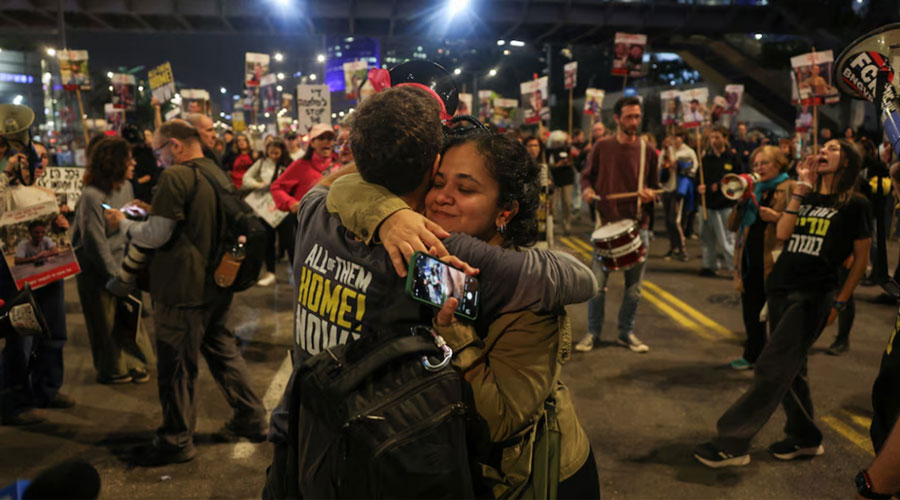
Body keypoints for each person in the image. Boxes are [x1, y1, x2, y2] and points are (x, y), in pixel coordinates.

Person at [264, 86, 598, 498]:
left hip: (534, 478)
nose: (442, 197)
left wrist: (456, 334)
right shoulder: (425, 259)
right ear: (431, 165)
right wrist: (388, 215)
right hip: (385, 457)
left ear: (505, 210)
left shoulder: (321, 215)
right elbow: (574, 277)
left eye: (467, 189)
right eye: (439, 181)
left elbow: (500, 422)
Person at [694, 139, 872, 468]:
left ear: (848, 162)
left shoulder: (856, 204)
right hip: (780, 287)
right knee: (792, 371)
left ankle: (731, 441)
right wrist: (801, 191)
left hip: (814, 294)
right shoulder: (806, 192)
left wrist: (842, 301)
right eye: (825, 147)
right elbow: (783, 233)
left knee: (771, 366)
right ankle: (805, 438)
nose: (825, 151)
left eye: (834, 148)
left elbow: (861, 260)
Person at [104, 120, 266, 466]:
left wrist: (126, 223)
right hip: (216, 285)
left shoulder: (176, 176)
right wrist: (150, 212)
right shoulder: (213, 171)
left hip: (181, 289)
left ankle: (176, 439)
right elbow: (196, 219)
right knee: (223, 352)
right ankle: (251, 417)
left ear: (175, 146)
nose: (158, 159)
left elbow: (157, 235)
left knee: (176, 366)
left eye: (159, 151)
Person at [576, 96, 660, 353]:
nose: (634, 122)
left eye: (637, 116)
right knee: (597, 288)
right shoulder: (602, 146)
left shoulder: (647, 150)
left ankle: (626, 332)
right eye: (628, 117)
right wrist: (588, 191)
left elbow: (655, 188)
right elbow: (586, 178)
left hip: (637, 226)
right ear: (617, 118)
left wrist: (650, 195)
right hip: (605, 227)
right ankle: (593, 332)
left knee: (634, 291)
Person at [70, 136, 155, 385]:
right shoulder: (92, 195)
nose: (133, 163)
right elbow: (95, 243)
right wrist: (115, 275)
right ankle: (114, 369)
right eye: (128, 158)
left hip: (124, 266)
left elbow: (125, 226)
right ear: (113, 162)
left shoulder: (125, 187)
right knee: (104, 322)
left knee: (128, 318)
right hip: (98, 271)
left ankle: (136, 363)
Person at [1, 150, 74, 426]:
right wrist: (7, 175)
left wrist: (61, 224)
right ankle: (15, 403)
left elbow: (56, 231)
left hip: (50, 274)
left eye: (43, 158)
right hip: (13, 275)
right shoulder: (7, 189)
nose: (39, 162)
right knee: (20, 337)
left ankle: (47, 389)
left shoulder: (45, 192)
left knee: (53, 332)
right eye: (32, 158)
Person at [726, 145, 794, 370]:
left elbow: (799, 223)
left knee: (777, 314)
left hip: (775, 261)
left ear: (778, 163)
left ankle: (776, 361)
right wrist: (741, 202)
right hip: (748, 260)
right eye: (755, 164)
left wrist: (777, 217)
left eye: (764, 163)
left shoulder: (790, 187)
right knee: (751, 311)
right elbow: (732, 226)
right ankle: (752, 354)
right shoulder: (752, 189)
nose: (759, 167)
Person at [269, 123, 338, 264]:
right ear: (312, 143)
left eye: (330, 138)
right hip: (308, 229)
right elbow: (276, 187)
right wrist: (291, 203)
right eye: (322, 138)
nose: (327, 142)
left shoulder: (341, 165)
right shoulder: (301, 165)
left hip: (336, 230)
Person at [241, 138, 292, 286]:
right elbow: (246, 178)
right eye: (271, 153)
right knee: (268, 240)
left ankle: (298, 271)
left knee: (290, 242)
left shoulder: (289, 164)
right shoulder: (262, 162)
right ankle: (270, 272)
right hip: (265, 208)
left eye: (277, 153)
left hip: (284, 208)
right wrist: (259, 184)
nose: (274, 156)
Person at [697, 127, 738, 276]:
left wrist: (721, 186)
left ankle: (734, 268)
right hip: (706, 205)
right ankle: (709, 265)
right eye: (712, 138)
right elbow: (698, 179)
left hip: (725, 205)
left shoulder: (732, 159)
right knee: (706, 237)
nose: (714, 141)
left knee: (727, 239)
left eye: (717, 137)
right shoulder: (705, 160)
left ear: (725, 139)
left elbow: (739, 180)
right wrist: (700, 188)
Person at [658, 130, 697, 262]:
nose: (675, 140)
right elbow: (659, 167)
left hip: (679, 190)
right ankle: (672, 246)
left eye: (678, 137)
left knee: (675, 220)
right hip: (666, 188)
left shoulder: (688, 152)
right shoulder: (666, 150)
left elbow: (693, 168)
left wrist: (681, 166)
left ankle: (682, 248)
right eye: (673, 137)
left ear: (683, 138)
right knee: (668, 222)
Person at [524, 135, 552, 245]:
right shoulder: (521, 164)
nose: (533, 148)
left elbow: (552, 185)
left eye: (536, 145)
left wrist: (549, 184)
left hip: (543, 209)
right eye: (530, 145)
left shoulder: (544, 165)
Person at [121, 124, 158, 204]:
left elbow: (151, 174)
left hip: (144, 192)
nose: (133, 163)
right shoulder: (131, 151)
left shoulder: (149, 153)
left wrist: (136, 182)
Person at [547, 131, 575, 234]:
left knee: (567, 203)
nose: (558, 144)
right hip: (555, 181)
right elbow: (550, 166)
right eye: (555, 142)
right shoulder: (549, 152)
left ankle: (567, 223)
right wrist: (559, 164)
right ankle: (553, 225)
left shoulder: (568, 149)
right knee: (553, 205)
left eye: (559, 141)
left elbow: (574, 160)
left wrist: (568, 162)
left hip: (567, 180)